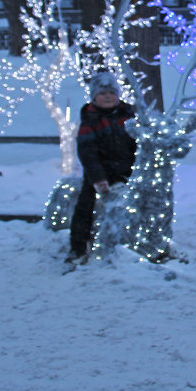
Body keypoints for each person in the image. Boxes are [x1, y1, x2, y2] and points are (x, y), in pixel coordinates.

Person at [67, 71, 137, 264]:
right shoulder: (90, 120)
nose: (108, 97)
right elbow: (87, 152)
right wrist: (98, 178)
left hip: (128, 170)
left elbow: (139, 142)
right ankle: (78, 247)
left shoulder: (129, 115)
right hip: (101, 171)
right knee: (86, 205)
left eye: (111, 93)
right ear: (94, 97)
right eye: (102, 93)